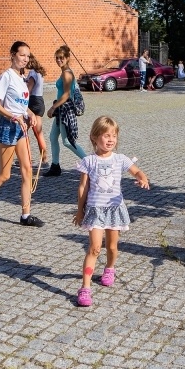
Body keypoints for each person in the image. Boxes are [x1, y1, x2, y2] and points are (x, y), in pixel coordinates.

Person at [73, 116, 150, 307]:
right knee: (95, 248)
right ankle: (85, 288)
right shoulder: (89, 161)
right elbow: (83, 187)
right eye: (106, 135)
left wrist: (142, 179)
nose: (110, 140)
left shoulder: (120, 159)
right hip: (95, 210)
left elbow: (137, 172)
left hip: (115, 209)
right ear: (94, 137)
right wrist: (80, 210)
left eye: (113, 136)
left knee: (113, 247)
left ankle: (109, 268)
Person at [0, 41, 44, 227]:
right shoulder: (7, 76)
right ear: (13, 55)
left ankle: (26, 215)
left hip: (21, 128)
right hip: (8, 126)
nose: (25, 59)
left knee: (27, 170)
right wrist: (14, 117)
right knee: (5, 175)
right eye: (22, 55)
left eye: (28, 56)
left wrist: (31, 115)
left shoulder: (22, 77)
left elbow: (22, 105)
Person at [42, 45, 87, 177]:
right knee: (52, 137)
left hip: (65, 109)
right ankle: (55, 166)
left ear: (67, 58)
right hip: (61, 109)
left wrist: (53, 107)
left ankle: (90, 162)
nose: (58, 60)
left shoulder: (67, 73)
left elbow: (67, 94)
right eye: (57, 58)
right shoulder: (64, 71)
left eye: (61, 58)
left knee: (67, 141)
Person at [26, 54, 48, 162]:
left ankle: (27, 157)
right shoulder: (39, 73)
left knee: (24, 131)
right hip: (40, 101)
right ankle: (43, 158)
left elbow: (28, 91)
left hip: (33, 101)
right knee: (38, 132)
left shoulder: (32, 73)